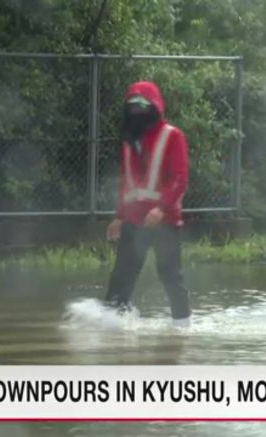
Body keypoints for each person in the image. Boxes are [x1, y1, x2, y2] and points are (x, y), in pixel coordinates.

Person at [104, 81, 192, 328]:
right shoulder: (129, 140)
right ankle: (111, 331)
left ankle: (182, 332)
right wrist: (119, 216)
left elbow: (180, 178)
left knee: (171, 276)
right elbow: (126, 181)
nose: (137, 110)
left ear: (155, 106)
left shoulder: (172, 136)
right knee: (121, 277)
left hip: (165, 221)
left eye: (143, 105)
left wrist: (162, 208)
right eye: (132, 105)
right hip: (133, 220)